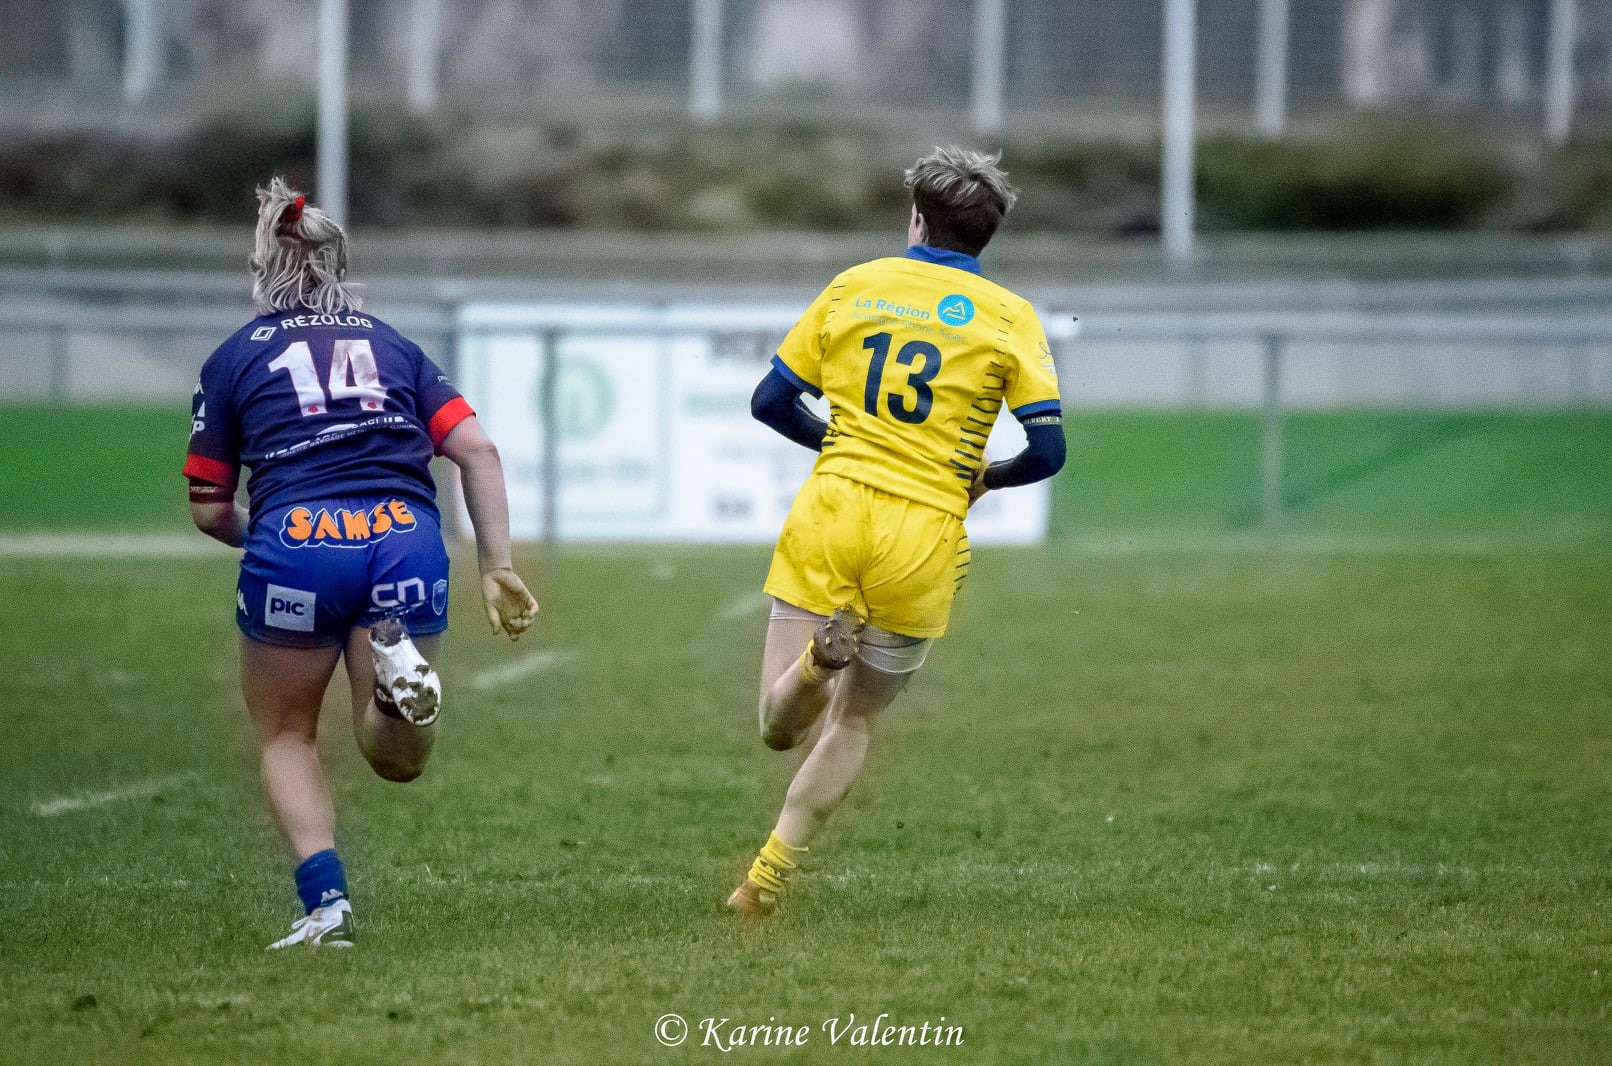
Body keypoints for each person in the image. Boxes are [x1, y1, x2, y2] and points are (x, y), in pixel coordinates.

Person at [184, 178, 538, 949]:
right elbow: (477, 452)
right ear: (339, 264)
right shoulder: (394, 346)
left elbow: (209, 507)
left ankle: (326, 907)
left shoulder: (232, 359)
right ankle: (396, 689)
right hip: (404, 535)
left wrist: (269, 538)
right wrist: (496, 565)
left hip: (296, 542)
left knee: (286, 734)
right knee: (398, 760)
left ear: (261, 267)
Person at [728, 147, 1066, 916]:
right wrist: (986, 479)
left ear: (917, 218)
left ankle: (815, 665)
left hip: (834, 508)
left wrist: (844, 445)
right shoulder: (1010, 317)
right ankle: (766, 879)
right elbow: (1047, 452)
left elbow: (770, 402)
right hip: (925, 531)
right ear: (986, 235)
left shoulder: (856, 285)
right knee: (854, 720)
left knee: (779, 727)